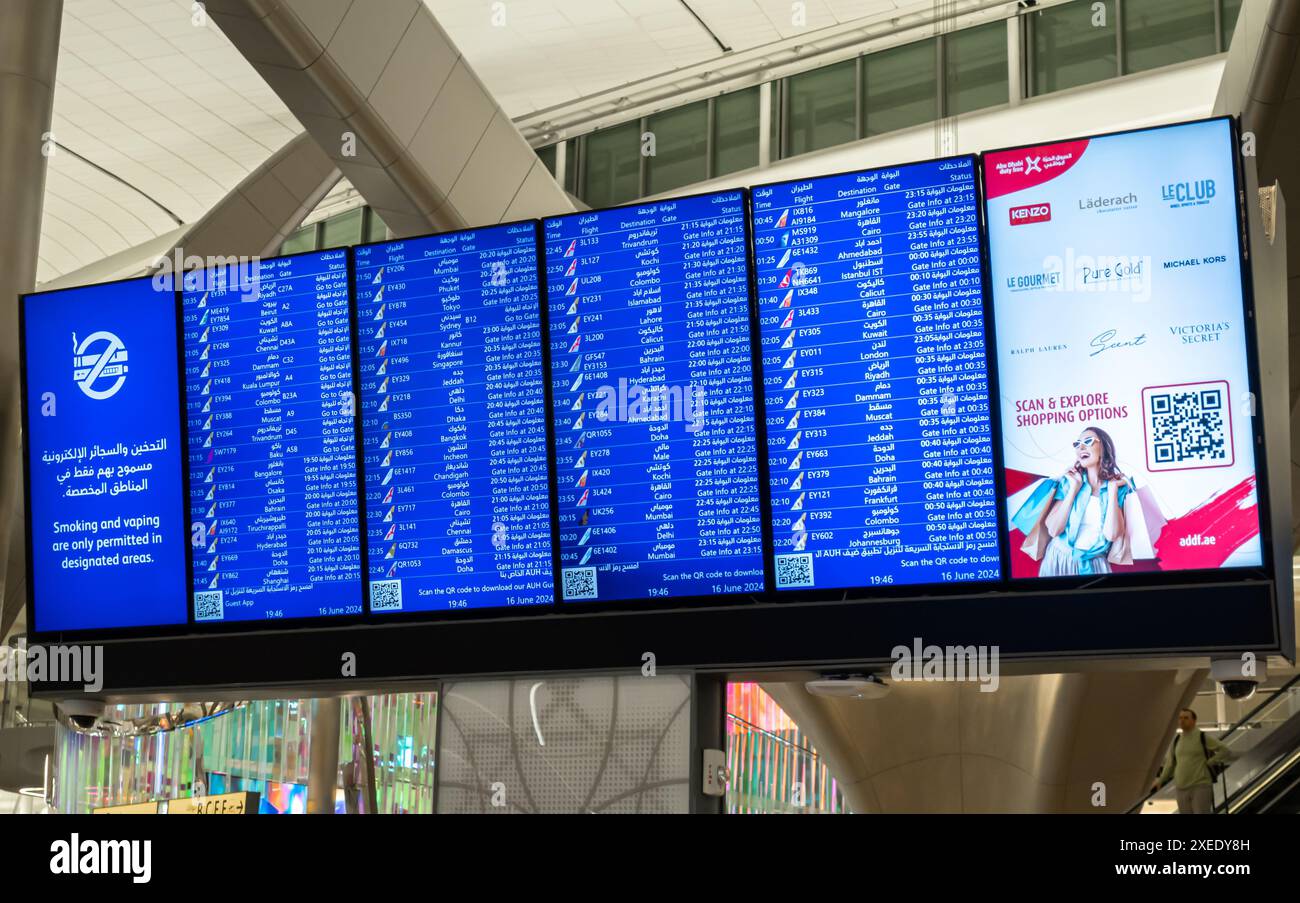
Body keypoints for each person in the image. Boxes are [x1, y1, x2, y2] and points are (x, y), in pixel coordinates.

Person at [1039, 426, 1131, 576]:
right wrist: (1074, 489)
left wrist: (1112, 490)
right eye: (1077, 444)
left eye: (1088, 441)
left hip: (1095, 564)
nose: (1080, 447)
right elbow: (1054, 530)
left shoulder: (1119, 488)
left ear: (1103, 448)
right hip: (1060, 560)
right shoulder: (1069, 482)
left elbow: (1112, 535)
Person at [1152, 708, 1231, 814]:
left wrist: (1210, 762)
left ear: (1194, 721)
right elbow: (1170, 764)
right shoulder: (1177, 740)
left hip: (1200, 785)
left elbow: (1225, 750)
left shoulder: (1202, 737)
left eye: (1186, 718)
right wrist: (1160, 781)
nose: (1182, 720)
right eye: (1180, 718)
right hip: (1181, 787)